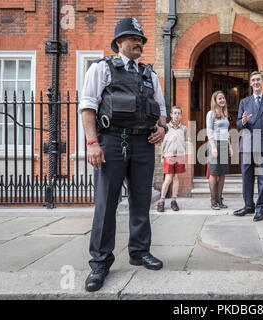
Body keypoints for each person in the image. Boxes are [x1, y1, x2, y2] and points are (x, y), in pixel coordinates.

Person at [79, 17, 169, 292]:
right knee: (106, 204)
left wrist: (162, 129)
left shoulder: (149, 74)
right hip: (111, 141)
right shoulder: (102, 68)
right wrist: (93, 143)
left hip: (143, 144)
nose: (139, 43)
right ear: (119, 42)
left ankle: (139, 251)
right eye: (133, 38)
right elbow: (87, 107)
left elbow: (162, 111)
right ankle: (100, 262)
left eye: (141, 39)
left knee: (142, 201)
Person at [233, 71, 263, 222]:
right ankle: (248, 206)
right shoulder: (244, 102)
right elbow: (238, 124)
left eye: (258, 79)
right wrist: (244, 121)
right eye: (253, 80)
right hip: (247, 142)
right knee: (247, 176)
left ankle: (261, 208)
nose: (256, 82)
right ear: (250, 83)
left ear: (262, 81)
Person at [157, 106, 188, 212]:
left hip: (179, 155)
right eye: (175, 113)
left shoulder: (183, 128)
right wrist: (162, 155)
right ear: (171, 115)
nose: (177, 115)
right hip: (169, 155)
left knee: (175, 178)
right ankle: (161, 201)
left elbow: (185, 141)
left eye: (179, 113)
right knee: (168, 178)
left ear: (181, 115)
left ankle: (174, 200)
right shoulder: (166, 127)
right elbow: (162, 143)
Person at [206, 91, 233, 210]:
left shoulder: (224, 114)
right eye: (219, 98)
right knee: (214, 173)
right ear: (215, 101)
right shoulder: (211, 114)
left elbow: (226, 132)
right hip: (215, 144)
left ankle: (220, 199)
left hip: (224, 144)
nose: (222, 100)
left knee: (222, 173)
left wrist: (230, 146)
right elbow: (209, 131)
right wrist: (213, 147)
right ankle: (213, 200)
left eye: (223, 98)